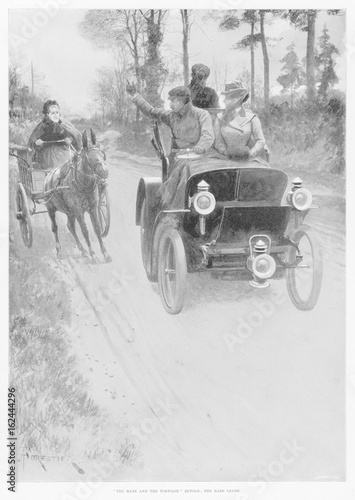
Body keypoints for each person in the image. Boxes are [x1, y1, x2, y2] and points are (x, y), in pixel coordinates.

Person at [126, 83, 215, 207]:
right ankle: (177, 209)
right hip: (181, 157)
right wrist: (135, 95)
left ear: (183, 101)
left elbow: (208, 136)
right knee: (185, 173)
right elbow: (151, 111)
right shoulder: (171, 116)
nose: (170, 104)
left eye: (173, 101)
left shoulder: (201, 114)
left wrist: (201, 147)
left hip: (202, 157)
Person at [213, 80, 269, 162]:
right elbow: (218, 142)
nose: (224, 101)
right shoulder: (219, 118)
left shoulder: (252, 118)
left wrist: (251, 153)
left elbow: (261, 140)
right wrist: (225, 152)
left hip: (247, 158)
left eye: (227, 98)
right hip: (225, 158)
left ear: (238, 98)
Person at [28, 100, 82, 170]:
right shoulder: (43, 126)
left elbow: (68, 135)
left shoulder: (61, 126)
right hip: (47, 154)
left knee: (74, 159)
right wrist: (37, 142)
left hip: (62, 151)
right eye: (53, 113)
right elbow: (33, 139)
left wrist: (69, 139)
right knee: (61, 162)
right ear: (47, 115)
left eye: (57, 112)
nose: (56, 115)